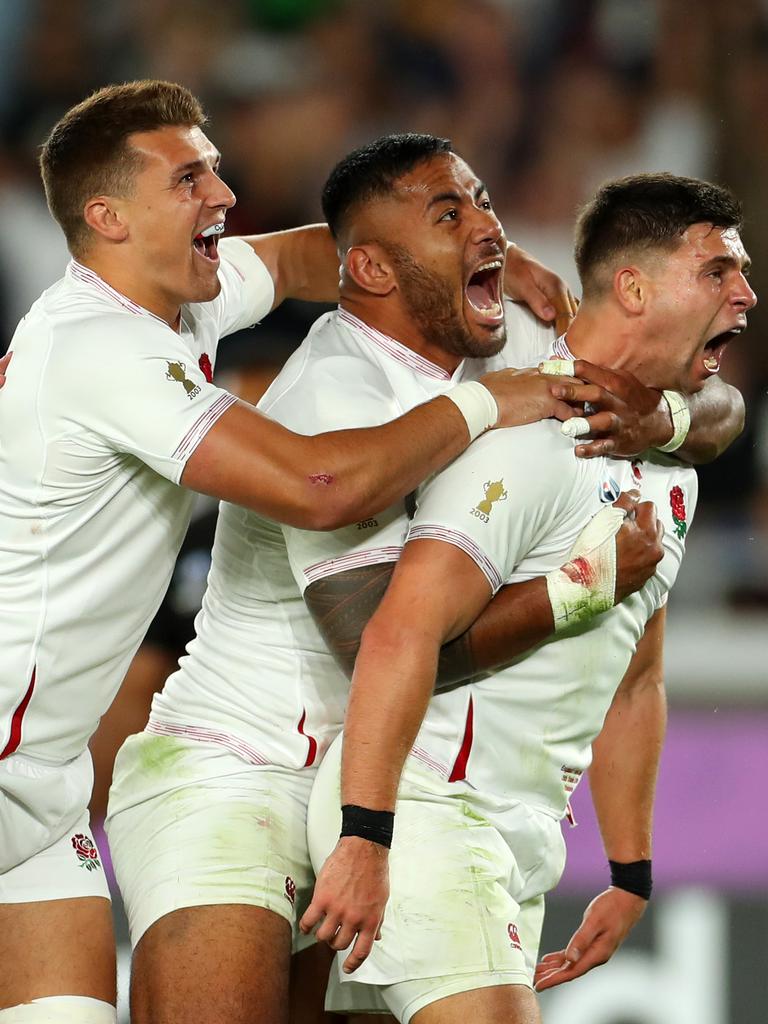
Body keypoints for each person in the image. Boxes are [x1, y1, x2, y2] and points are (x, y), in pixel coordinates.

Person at [105, 137, 743, 1024]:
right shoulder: (332, 397)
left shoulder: (507, 327)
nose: (490, 225)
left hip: (377, 778)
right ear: (370, 268)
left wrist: (663, 414)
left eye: (484, 200)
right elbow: (386, 645)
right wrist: (578, 588)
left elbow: (703, 393)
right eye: (451, 214)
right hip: (235, 770)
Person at [0, 84, 587, 1024]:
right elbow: (321, 485)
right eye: (189, 178)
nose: (224, 195)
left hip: (46, 784)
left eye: (216, 169)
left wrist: (487, 252)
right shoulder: (96, 347)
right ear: (107, 218)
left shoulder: (176, 297)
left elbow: (324, 255)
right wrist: (493, 400)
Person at [301, 170, 755, 1024]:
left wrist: (630, 871)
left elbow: (634, 679)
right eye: (718, 272)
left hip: (516, 836)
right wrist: (367, 834)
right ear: (632, 286)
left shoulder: (669, 460)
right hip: (429, 810)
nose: (746, 294)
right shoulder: (529, 441)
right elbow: (398, 633)